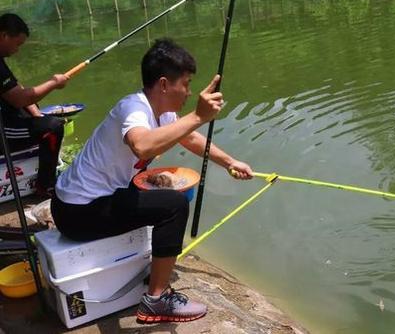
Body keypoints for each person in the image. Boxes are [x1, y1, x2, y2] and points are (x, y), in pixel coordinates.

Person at [52, 38, 253, 323]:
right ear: (163, 84)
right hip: (78, 213)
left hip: (80, 202)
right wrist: (198, 115)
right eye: (186, 83)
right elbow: (143, 146)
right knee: (174, 205)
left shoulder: (163, 111)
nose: (189, 91)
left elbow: (190, 138)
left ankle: (151, 273)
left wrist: (230, 162)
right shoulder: (132, 108)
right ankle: (156, 301)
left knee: (159, 188)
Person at [0, 13, 68, 196]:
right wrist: (54, 83)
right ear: (4, 35)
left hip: (8, 114)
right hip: (3, 129)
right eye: (17, 44)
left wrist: (36, 114)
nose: (17, 50)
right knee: (53, 128)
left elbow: (16, 88)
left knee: (37, 110)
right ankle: (45, 186)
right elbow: (20, 99)